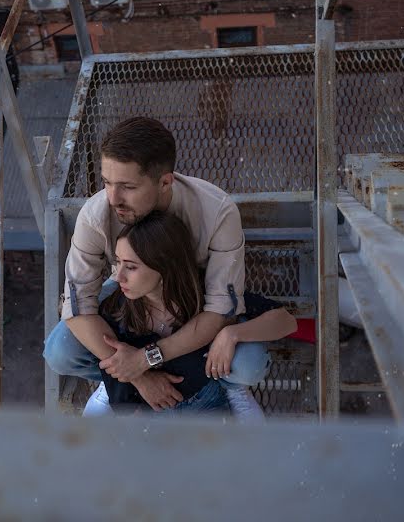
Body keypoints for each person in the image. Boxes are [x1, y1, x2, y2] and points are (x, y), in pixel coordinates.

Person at [43, 116, 286, 414]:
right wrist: (138, 376)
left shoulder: (217, 211)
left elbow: (220, 308)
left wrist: (145, 358)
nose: (112, 198)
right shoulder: (96, 215)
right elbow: (78, 306)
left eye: (127, 186)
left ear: (165, 182)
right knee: (60, 352)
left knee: (247, 366)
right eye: (107, 182)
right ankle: (115, 381)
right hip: (130, 288)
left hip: (194, 296)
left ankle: (211, 383)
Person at [93, 211, 296, 416]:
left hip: (205, 400)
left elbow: (286, 321)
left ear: (164, 266)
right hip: (149, 408)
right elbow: (125, 407)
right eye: (117, 262)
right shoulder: (115, 308)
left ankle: (234, 388)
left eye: (130, 267)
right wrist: (139, 381)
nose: (118, 277)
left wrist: (231, 334)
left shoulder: (206, 297)